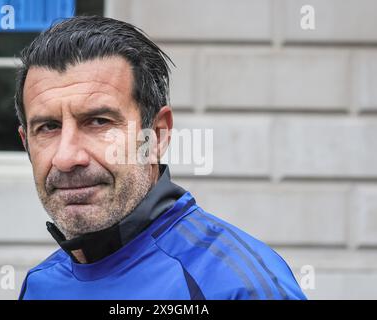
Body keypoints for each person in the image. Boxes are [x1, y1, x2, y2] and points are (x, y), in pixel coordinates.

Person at [15, 15, 306, 300]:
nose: (67, 157)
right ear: (27, 143)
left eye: (99, 122)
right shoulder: (41, 285)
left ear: (157, 134)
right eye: (48, 127)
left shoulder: (238, 287)